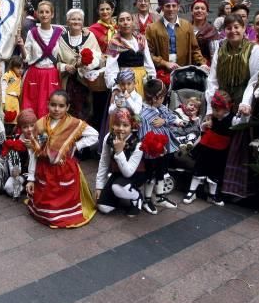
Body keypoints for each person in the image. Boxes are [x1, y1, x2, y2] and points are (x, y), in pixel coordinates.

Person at [206, 13, 259, 200]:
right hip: (221, 105)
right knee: (219, 144)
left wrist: (246, 103)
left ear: (244, 28)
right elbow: (212, 79)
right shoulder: (220, 49)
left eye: (236, 27)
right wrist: (212, 107)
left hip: (242, 104)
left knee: (240, 146)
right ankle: (217, 184)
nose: (233, 31)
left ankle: (238, 190)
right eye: (229, 28)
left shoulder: (254, 50)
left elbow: (255, 80)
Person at [25, 90, 98, 228]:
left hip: (64, 170)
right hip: (44, 169)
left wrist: (76, 145)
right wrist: (30, 178)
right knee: (45, 212)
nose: (56, 109)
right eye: (53, 105)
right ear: (48, 104)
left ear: (68, 107)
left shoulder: (74, 123)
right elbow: (34, 152)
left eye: (61, 106)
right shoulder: (40, 124)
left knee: (57, 213)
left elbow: (94, 135)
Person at [138, 79, 182, 214]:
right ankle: (147, 199)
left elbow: (172, 117)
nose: (164, 99)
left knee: (161, 171)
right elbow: (143, 135)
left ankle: (159, 196)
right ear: (155, 98)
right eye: (162, 97)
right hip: (152, 151)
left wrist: (166, 120)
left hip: (164, 147)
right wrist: (153, 147)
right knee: (151, 173)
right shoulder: (143, 114)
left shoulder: (160, 108)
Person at [182, 90, 234, 206]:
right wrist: (205, 125)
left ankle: (212, 195)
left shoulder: (232, 119)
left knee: (215, 172)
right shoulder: (212, 117)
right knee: (199, 169)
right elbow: (203, 129)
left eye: (217, 110)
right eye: (214, 109)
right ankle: (191, 191)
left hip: (220, 150)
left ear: (226, 109)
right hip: (207, 147)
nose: (215, 112)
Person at [146, 0, 208, 86]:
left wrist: (202, 63)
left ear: (178, 7)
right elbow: (149, 54)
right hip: (161, 73)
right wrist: (164, 63)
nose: (171, 9)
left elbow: (195, 49)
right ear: (162, 8)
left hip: (183, 73)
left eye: (174, 6)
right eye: (168, 6)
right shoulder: (152, 28)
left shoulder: (187, 25)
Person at [95, 107, 145, 217]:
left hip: (136, 173)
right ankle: (117, 192)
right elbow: (104, 161)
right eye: (117, 124)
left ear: (132, 126)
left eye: (125, 125)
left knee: (118, 188)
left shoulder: (138, 144)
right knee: (103, 207)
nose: (121, 129)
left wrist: (119, 152)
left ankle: (136, 197)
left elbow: (128, 172)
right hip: (118, 172)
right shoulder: (109, 137)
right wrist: (99, 186)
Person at [57, 8, 104, 123]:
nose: (76, 22)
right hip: (66, 81)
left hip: (85, 83)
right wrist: (64, 67)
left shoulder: (90, 37)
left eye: (79, 19)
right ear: (67, 22)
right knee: (66, 111)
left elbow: (100, 59)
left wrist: (86, 63)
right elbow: (54, 62)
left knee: (85, 113)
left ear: (83, 22)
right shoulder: (60, 38)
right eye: (73, 19)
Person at [22, 0, 64, 118]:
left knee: (52, 105)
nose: (44, 14)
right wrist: (21, 45)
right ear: (37, 14)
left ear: (52, 14)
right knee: (31, 106)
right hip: (34, 73)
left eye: (47, 12)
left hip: (52, 74)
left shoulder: (60, 33)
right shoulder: (32, 33)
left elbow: (67, 49)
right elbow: (26, 58)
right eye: (41, 12)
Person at [104, 12, 156, 97]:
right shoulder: (115, 42)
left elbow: (148, 61)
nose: (125, 22)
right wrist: (115, 85)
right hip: (125, 82)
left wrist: (151, 79)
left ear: (133, 22)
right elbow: (111, 67)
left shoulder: (141, 39)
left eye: (128, 19)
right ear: (118, 24)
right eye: (121, 20)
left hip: (142, 80)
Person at [4, 109, 36, 200]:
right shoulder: (16, 140)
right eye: (25, 127)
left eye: (32, 126)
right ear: (20, 128)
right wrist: (15, 171)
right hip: (22, 174)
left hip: (37, 174)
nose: (29, 129)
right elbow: (14, 163)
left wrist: (35, 146)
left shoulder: (40, 138)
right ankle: (24, 189)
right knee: (9, 187)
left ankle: (32, 188)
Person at [190, 0, 219, 67]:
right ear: (192, 11)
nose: (199, 10)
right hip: (186, 65)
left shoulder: (212, 30)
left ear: (207, 13)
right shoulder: (185, 27)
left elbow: (214, 54)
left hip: (204, 66)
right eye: (196, 8)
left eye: (203, 8)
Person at [2, 56, 24, 132]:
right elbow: (3, 88)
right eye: (18, 68)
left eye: (22, 68)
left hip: (15, 101)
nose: (20, 70)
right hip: (8, 100)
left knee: (14, 121)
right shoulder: (9, 74)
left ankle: (12, 137)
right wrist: (3, 102)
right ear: (12, 67)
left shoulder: (19, 77)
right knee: (7, 120)